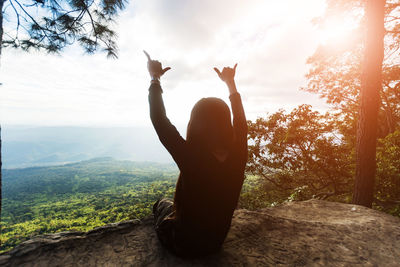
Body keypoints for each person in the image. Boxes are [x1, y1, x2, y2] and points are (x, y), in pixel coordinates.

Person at [145, 51, 247, 258]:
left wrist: (155, 78)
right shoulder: (238, 153)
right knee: (168, 206)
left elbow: (159, 120)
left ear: (195, 124)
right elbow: (240, 123)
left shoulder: (191, 157)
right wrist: (230, 84)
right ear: (225, 124)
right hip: (215, 243)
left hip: (184, 244)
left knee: (161, 205)